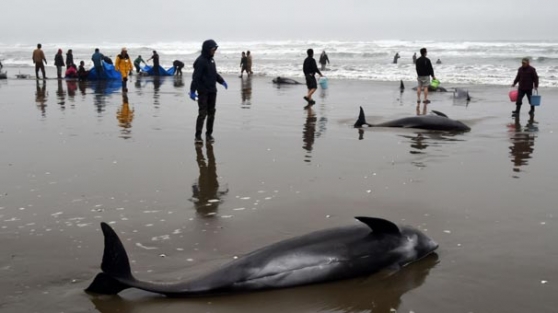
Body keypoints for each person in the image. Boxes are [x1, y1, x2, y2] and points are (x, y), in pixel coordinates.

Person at [189, 39, 228, 143]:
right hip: (203, 92)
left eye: (215, 49)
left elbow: (214, 74)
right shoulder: (200, 61)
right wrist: (192, 91)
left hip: (212, 91)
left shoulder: (211, 60)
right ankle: (198, 136)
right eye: (213, 49)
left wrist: (222, 81)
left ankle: (209, 134)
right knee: (202, 113)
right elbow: (196, 77)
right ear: (207, 49)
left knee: (212, 113)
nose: (214, 51)